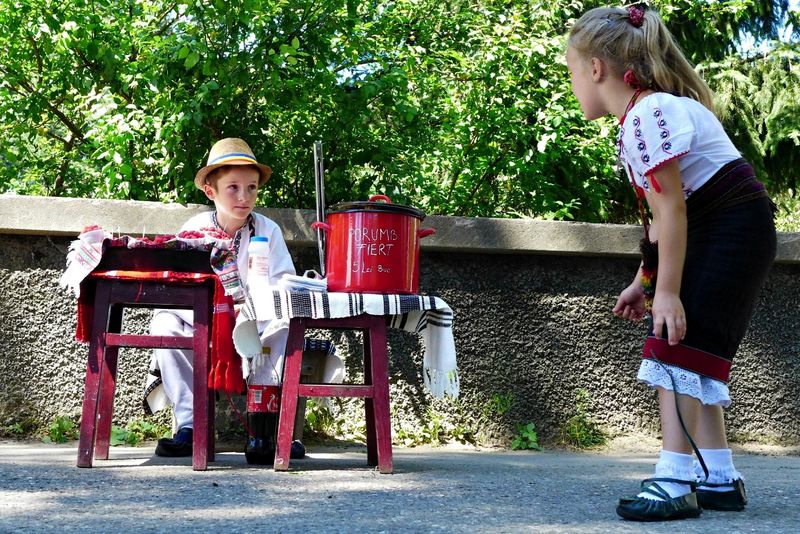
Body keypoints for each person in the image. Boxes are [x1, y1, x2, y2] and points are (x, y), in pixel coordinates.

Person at [566, 4, 776, 522]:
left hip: (727, 231)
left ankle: (675, 478)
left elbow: (673, 210)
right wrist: (645, 280)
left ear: (596, 69)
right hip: (735, 230)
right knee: (695, 352)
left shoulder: (648, 115)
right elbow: (662, 224)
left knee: (672, 348)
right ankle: (720, 478)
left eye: (572, 71)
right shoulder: (649, 113)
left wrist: (667, 293)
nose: (573, 85)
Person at [144, 137, 302, 464]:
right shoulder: (194, 231)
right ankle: (190, 426)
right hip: (204, 321)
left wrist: (252, 307)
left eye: (252, 188)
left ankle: (269, 428)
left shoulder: (267, 230)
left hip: (255, 322)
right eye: (233, 188)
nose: (244, 197)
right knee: (164, 322)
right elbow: (178, 285)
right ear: (210, 191)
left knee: (286, 327)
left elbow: (284, 283)